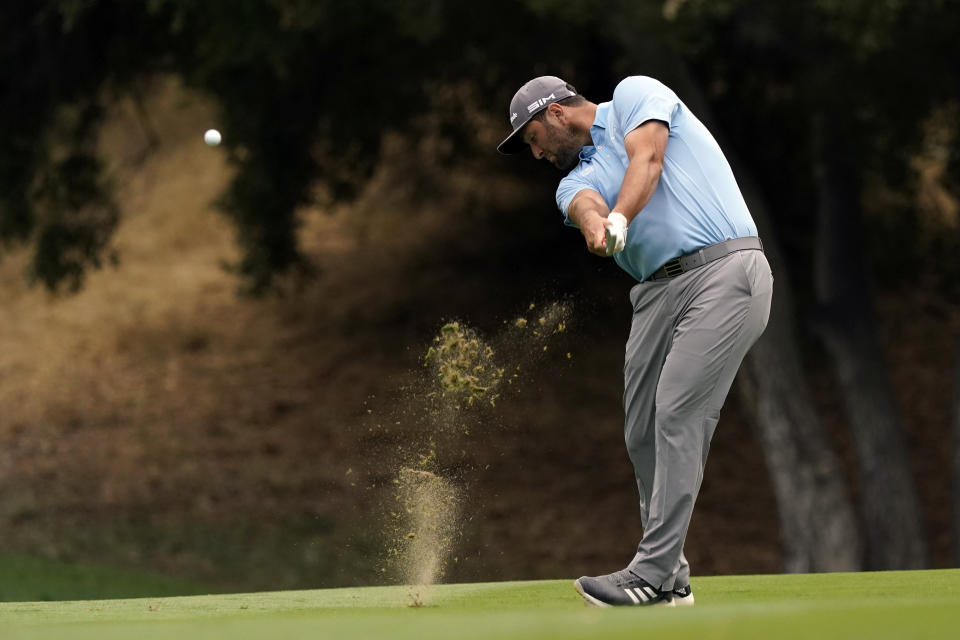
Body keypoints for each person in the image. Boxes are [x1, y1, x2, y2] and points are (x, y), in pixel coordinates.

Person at [498, 75, 773, 607]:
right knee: (642, 430)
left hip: (723, 269)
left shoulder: (634, 95)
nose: (535, 154)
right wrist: (598, 226)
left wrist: (622, 214)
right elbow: (583, 206)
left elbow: (648, 159)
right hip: (654, 295)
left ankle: (649, 572)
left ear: (556, 114)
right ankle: (672, 581)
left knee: (676, 413)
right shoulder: (570, 180)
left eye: (533, 138)